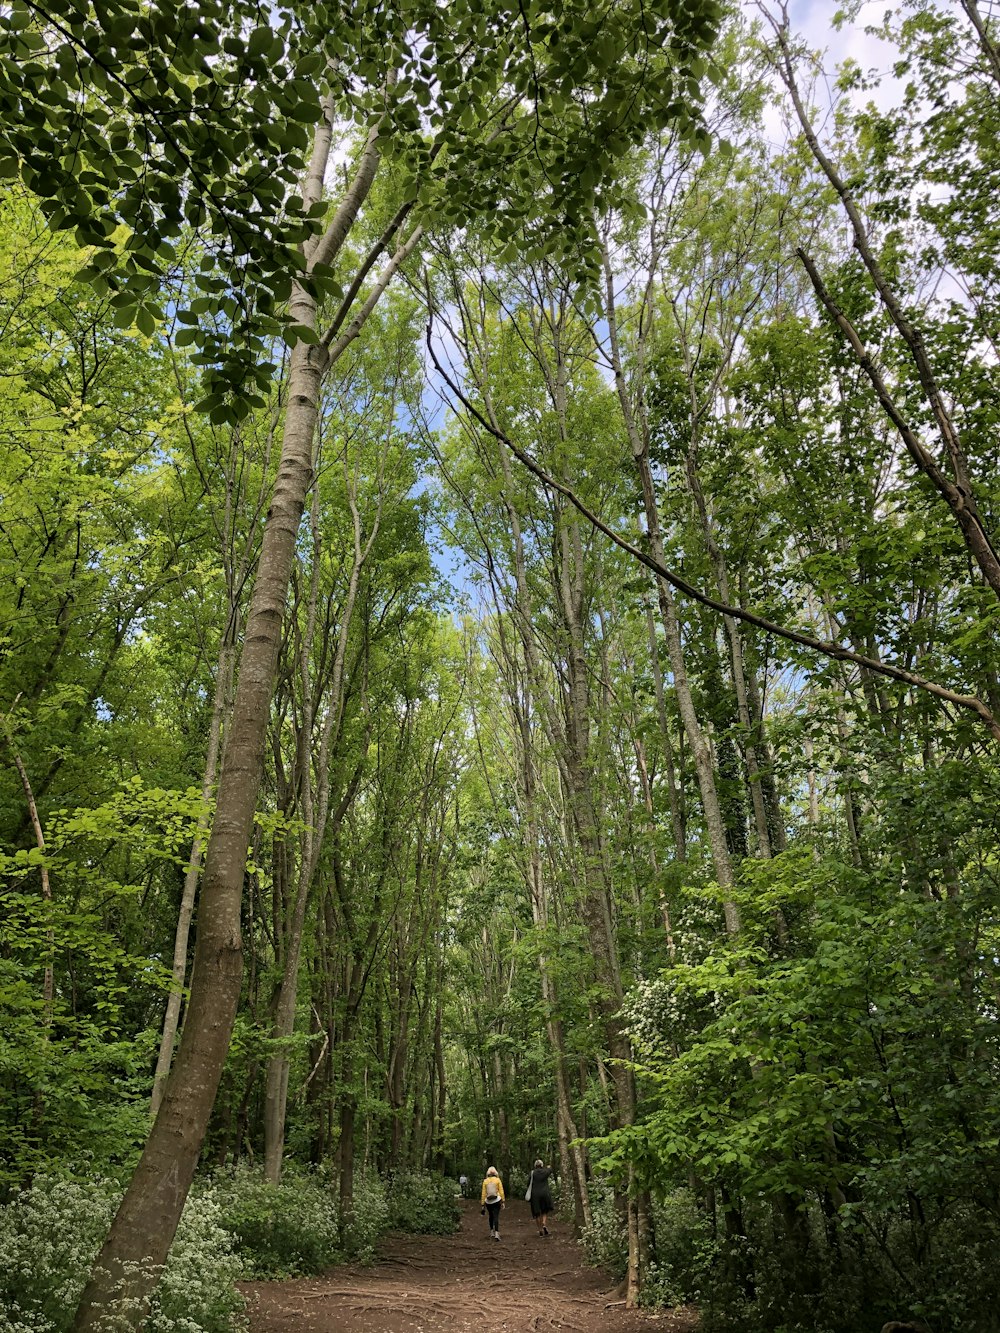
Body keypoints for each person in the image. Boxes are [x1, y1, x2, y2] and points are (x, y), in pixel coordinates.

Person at [526, 1158, 553, 1236]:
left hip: (535, 1195)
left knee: (537, 1212)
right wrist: (549, 1167)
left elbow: (528, 1183)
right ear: (541, 1165)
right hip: (545, 1193)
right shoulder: (545, 1172)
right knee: (544, 1210)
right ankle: (544, 1224)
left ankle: (540, 1229)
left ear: (535, 1166)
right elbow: (550, 1169)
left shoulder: (532, 1173)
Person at [480, 1165, 505, 1241]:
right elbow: (501, 1191)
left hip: (488, 1201)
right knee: (496, 1216)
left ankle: (491, 1232)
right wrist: (503, 1201)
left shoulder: (485, 1181)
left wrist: (482, 1204)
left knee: (491, 1216)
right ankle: (497, 1233)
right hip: (496, 1200)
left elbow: (483, 1193)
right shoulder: (497, 1180)